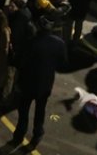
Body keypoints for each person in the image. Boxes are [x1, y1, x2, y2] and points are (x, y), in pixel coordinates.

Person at [11, 19, 68, 148]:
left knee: (23, 111)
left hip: (27, 83)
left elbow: (19, 62)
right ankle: (37, 134)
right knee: (40, 110)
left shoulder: (31, 42)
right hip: (45, 84)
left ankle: (19, 135)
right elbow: (63, 65)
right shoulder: (59, 44)